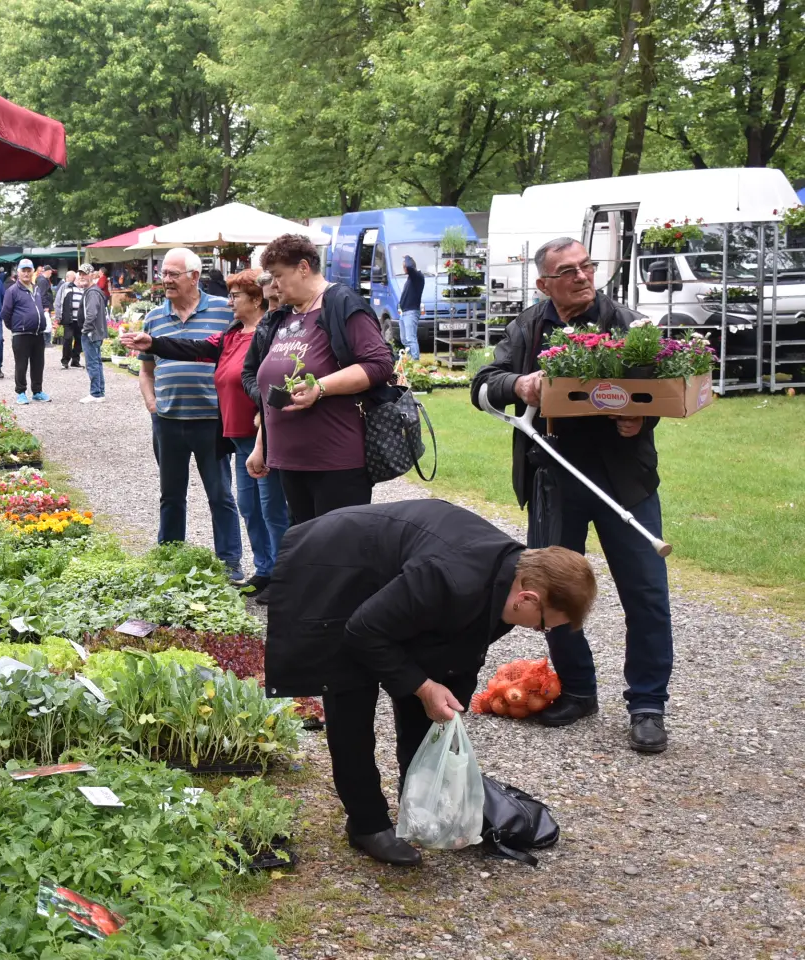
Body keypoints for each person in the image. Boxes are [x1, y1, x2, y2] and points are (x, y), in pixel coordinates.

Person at [266, 498, 597, 865]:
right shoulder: (451, 577)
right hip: (339, 568)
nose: (539, 631)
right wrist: (423, 686)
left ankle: (419, 800)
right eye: (543, 624)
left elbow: (459, 648)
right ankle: (367, 823)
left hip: (398, 580)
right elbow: (363, 630)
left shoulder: (508, 579)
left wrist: (443, 699)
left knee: (427, 705)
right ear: (528, 598)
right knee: (350, 697)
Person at [471, 237, 672, 754]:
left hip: (624, 482)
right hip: (554, 479)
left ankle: (647, 705)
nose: (583, 276)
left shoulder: (630, 326)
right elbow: (482, 386)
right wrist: (520, 386)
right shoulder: (528, 327)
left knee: (645, 592)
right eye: (568, 271)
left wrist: (640, 416)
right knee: (552, 592)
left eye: (587, 266)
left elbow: (664, 389)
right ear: (544, 283)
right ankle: (579, 690)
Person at [121, 269, 289, 600]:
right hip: (236, 434)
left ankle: (284, 577)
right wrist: (153, 342)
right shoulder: (231, 334)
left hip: (261, 433)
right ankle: (266, 570)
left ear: (256, 300)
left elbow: (271, 385)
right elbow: (192, 347)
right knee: (249, 505)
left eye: (236, 297)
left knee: (270, 507)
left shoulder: (271, 335)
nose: (230, 302)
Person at [242, 233, 394, 524]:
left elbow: (379, 364)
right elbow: (272, 392)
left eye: (277, 276)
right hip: (290, 462)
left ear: (302, 267)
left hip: (335, 462)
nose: (273, 285)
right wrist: (262, 445)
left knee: (337, 557)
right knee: (306, 553)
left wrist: (321, 388)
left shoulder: (341, 303)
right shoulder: (284, 317)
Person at [138, 247, 244, 582]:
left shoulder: (224, 312)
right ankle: (169, 558)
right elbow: (146, 370)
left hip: (211, 421)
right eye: (164, 274)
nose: (165, 280)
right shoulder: (154, 317)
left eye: (172, 274)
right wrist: (152, 403)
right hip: (167, 421)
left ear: (194, 277)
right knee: (171, 494)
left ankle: (229, 562)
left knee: (220, 493)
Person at [1, 259, 51, 404]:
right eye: (23, 270)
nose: (26, 273)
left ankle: (37, 391)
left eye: (29, 270)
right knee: (21, 364)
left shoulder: (36, 289)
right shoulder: (12, 291)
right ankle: (21, 392)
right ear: (18, 272)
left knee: (38, 364)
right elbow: (5, 313)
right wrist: (16, 326)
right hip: (21, 333)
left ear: (33, 272)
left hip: (37, 333)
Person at [77, 265, 110, 403]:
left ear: (92, 275)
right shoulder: (93, 291)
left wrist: (85, 330)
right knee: (96, 362)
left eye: (85, 274)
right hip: (95, 332)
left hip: (91, 333)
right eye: (80, 274)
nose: (82, 276)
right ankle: (99, 392)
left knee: (92, 363)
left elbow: (91, 314)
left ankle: (96, 393)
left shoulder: (92, 292)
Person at [57, 268, 85, 369]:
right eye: (78, 279)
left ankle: (75, 360)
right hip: (69, 319)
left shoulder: (85, 290)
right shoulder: (67, 287)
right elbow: (58, 301)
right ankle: (65, 360)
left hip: (80, 321)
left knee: (79, 340)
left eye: (82, 279)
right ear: (75, 279)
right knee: (67, 339)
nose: (80, 281)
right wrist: (58, 315)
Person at [398, 255, 425, 360]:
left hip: (411, 312)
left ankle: (415, 361)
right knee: (404, 339)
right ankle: (409, 360)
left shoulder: (417, 277)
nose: (404, 269)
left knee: (410, 338)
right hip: (404, 312)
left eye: (404, 266)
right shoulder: (411, 278)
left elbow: (409, 267)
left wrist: (407, 257)